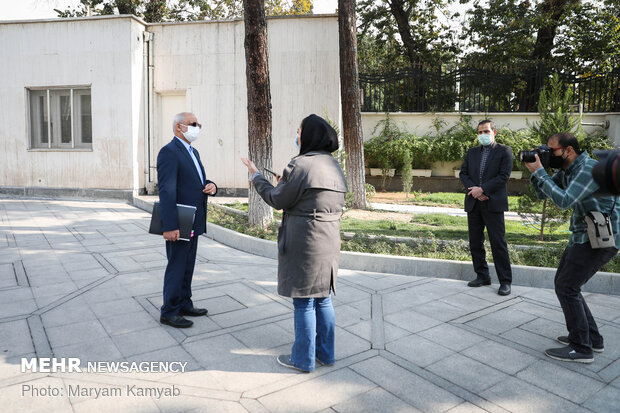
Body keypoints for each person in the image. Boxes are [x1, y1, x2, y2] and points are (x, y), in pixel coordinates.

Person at [240, 114, 347, 373]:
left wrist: (256, 176)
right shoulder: (333, 165)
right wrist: (286, 184)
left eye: (299, 131)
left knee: (303, 300)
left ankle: (302, 359)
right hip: (329, 239)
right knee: (322, 299)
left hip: (306, 241)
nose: (297, 135)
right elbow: (315, 199)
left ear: (308, 135)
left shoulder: (300, 164)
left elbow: (277, 200)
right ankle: (325, 354)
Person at [525, 132, 619, 363]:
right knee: (567, 285)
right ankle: (593, 339)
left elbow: (563, 200)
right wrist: (537, 171)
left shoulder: (587, 169)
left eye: (552, 151)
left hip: (602, 237)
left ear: (568, 150)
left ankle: (581, 348)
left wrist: (540, 173)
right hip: (584, 235)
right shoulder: (568, 170)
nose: (549, 154)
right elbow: (541, 194)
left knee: (567, 287)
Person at [157, 112, 217, 328]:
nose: (197, 127)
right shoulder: (169, 152)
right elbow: (167, 190)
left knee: (188, 265)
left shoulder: (193, 152)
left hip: (194, 218)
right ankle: (169, 311)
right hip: (179, 220)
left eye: (199, 124)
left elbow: (195, 180)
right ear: (179, 127)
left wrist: (211, 185)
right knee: (177, 265)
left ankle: (184, 303)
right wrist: (169, 225)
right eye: (193, 124)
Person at [460, 120, 513, 296]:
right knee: (475, 242)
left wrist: (482, 189)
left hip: (493, 203)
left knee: (498, 243)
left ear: (494, 132)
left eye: (486, 131)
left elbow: (503, 176)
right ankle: (482, 275)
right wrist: (475, 192)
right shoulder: (472, 152)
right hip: (474, 203)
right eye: (480, 132)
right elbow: (464, 174)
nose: (483, 134)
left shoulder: (504, 151)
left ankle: (505, 281)